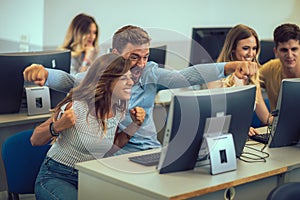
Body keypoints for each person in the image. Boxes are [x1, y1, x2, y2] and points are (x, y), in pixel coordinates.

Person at [24, 25, 258, 155]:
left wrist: (230, 66)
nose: (141, 64)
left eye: (145, 57)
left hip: (149, 149)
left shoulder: (150, 73)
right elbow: (71, 80)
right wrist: (44, 73)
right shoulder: (103, 74)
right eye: (133, 57)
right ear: (115, 55)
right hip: (116, 152)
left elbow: (185, 76)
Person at [30, 53, 146, 199]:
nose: (131, 82)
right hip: (57, 176)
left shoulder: (118, 109)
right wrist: (58, 126)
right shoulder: (76, 106)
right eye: (124, 78)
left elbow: (112, 146)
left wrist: (135, 125)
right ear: (106, 81)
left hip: (90, 177)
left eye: (130, 77)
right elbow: (35, 139)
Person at [206, 24, 272, 136]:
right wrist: (239, 128)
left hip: (243, 139)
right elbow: (215, 120)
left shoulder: (253, 77)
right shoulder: (216, 76)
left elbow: (266, 118)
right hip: (220, 138)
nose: (251, 54)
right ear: (232, 49)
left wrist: (284, 121)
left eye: (254, 48)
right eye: (246, 48)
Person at [259, 23, 300, 112]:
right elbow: (250, 82)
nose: (289, 55)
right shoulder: (270, 69)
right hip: (279, 125)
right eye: (284, 50)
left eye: (294, 49)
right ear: (275, 52)